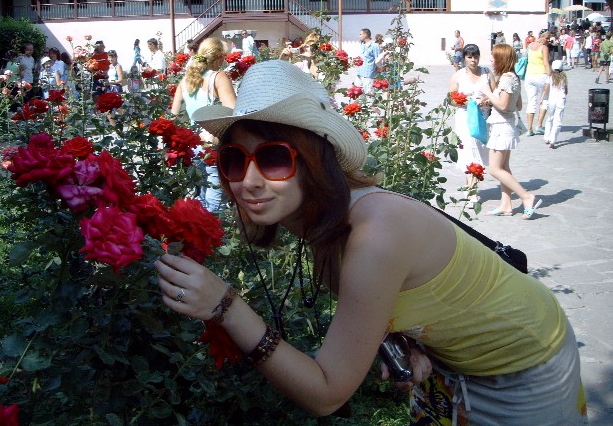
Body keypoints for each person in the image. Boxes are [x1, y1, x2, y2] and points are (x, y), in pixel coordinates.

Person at [155, 60, 587, 425]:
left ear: (315, 163)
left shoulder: (375, 233)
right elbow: (392, 299)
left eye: (273, 158)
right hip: (454, 366)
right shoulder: (320, 218)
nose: (247, 181)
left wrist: (226, 306)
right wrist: (399, 340)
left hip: (525, 365)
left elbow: (327, 394)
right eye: (234, 160)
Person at [170, 38, 236, 212]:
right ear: (219, 57)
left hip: (193, 146)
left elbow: (174, 117)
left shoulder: (185, 81)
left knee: (200, 193)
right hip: (212, 143)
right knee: (215, 199)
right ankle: (216, 225)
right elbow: (233, 112)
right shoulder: (218, 77)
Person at [480, 44, 542, 219]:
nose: (491, 60)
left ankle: (526, 196)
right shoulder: (513, 77)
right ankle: (506, 205)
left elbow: (503, 105)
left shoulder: (506, 79)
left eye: (493, 57)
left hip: (502, 127)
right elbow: (518, 105)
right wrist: (492, 99)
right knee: (504, 167)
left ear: (501, 59)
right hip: (506, 125)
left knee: (494, 169)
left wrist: (488, 93)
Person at [448, 43, 496, 203]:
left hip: (482, 118)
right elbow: (450, 99)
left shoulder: (487, 73)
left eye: (475, 57)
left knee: (478, 151)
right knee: (469, 152)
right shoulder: (458, 76)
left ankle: (469, 187)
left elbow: (495, 93)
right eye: (469, 57)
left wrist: (487, 100)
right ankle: (472, 192)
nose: (473, 60)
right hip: (465, 117)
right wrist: (465, 102)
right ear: (464, 58)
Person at [523, 29, 552, 136]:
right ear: (542, 36)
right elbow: (546, 63)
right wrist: (551, 76)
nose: (548, 40)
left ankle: (529, 129)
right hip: (541, 75)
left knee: (531, 101)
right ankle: (539, 125)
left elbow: (525, 57)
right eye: (547, 38)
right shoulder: (544, 48)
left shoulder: (531, 45)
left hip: (529, 76)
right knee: (545, 99)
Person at [538, 60, 568, 149]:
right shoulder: (563, 77)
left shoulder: (550, 76)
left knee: (550, 117)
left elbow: (545, 88)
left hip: (552, 99)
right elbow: (566, 90)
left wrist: (542, 99)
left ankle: (547, 137)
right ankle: (553, 140)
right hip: (561, 99)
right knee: (558, 120)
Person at [356, 28, 381, 94]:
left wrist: (378, 74)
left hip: (369, 75)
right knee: (358, 94)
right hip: (359, 73)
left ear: (366, 35)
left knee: (369, 95)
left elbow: (378, 59)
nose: (359, 36)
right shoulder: (362, 45)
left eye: (360, 34)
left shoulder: (374, 45)